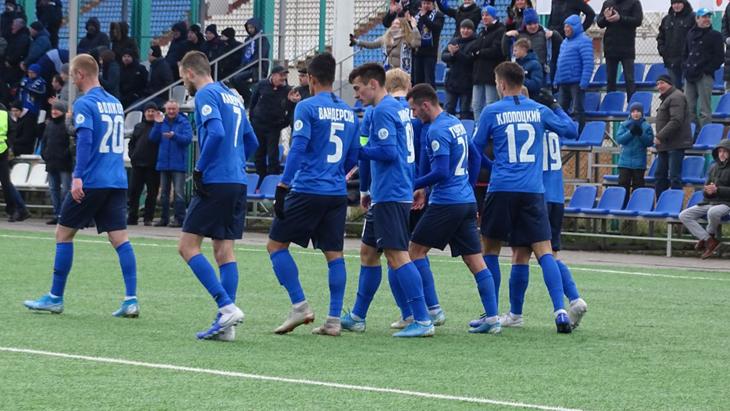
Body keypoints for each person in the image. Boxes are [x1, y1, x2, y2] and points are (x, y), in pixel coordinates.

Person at [23, 54, 140, 318]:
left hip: (93, 179)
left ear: (80, 75)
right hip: (116, 179)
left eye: (72, 76)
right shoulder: (115, 103)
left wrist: (78, 177)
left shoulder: (85, 103)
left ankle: (55, 297)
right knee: (120, 239)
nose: (72, 81)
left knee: (63, 234)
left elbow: (85, 141)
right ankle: (131, 299)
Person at [473, 61, 578, 334]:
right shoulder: (539, 110)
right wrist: (555, 106)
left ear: (502, 84)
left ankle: (492, 314)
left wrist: (491, 166)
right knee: (544, 251)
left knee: (490, 250)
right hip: (533, 190)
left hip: (501, 188)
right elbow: (571, 130)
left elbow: (474, 149)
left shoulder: (492, 111)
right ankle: (560, 311)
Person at [266, 52, 360, 336]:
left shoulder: (306, 107)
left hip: (307, 188)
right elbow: (353, 155)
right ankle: (333, 320)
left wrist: (283, 185)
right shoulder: (349, 111)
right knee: (334, 255)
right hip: (335, 191)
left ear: (311, 78)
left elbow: (297, 148)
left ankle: (300, 305)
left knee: (276, 246)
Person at [341, 63, 434, 338]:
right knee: (368, 253)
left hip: (392, 191)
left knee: (397, 255)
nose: (356, 94)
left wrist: (357, 150)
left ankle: (422, 319)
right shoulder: (397, 108)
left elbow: (388, 152)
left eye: (358, 88)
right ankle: (358, 316)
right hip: (388, 189)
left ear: (373, 84)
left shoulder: (382, 110)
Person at [406, 83, 501, 334]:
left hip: (446, 203)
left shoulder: (436, 130)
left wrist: (413, 184)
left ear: (426, 105)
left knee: (414, 251)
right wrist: (468, 186)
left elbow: (441, 172)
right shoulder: (455, 122)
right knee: (475, 260)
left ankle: (431, 310)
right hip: (465, 201)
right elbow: (476, 157)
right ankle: (493, 318)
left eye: (414, 109)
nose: (414, 114)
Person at [177, 50, 258, 341]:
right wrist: (235, 161)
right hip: (237, 180)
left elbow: (217, 133)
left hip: (216, 180)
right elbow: (252, 140)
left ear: (190, 72)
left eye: (182, 77)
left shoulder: (206, 94)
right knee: (224, 250)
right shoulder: (233, 96)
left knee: (187, 246)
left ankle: (226, 307)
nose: (183, 82)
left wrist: (200, 168)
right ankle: (227, 326)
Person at [679, 140, 730, 259]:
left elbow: (720, 190)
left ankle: (709, 236)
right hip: (710, 201)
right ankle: (709, 240)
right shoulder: (713, 167)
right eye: (720, 151)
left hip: (726, 203)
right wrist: (707, 191)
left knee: (713, 212)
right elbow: (706, 189)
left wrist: (717, 190)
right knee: (684, 215)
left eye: (725, 151)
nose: (722, 154)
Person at [148, 100, 192, 228]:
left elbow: (187, 139)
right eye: (169, 109)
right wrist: (157, 124)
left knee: (178, 193)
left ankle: (180, 219)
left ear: (178, 110)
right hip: (164, 162)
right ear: (165, 110)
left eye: (173, 109)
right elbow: (153, 138)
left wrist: (174, 136)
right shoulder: (162, 122)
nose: (171, 111)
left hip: (178, 163)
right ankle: (164, 218)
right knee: (164, 193)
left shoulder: (184, 122)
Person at [249, 65, 292, 184]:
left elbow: (290, 108)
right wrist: (253, 119)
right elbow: (253, 101)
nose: (283, 78)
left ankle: (272, 181)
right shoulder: (262, 85)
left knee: (273, 155)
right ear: (273, 75)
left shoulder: (287, 90)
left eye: (285, 75)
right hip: (258, 124)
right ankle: (259, 180)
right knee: (259, 153)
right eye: (281, 75)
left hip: (274, 127)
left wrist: (283, 123)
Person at [502, 8, 562, 91]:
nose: (533, 26)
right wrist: (506, 37)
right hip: (522, 71)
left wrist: (555, 34)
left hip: (542, 72)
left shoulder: (544, 33)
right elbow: (505, 51)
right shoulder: (518, 35)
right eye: (530, 24)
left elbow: (561, 45)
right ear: (525, 24)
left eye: (535, 23)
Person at [683, 8, 723, 131]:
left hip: (704, 76)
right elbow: (685, 53)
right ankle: (692, 134)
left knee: (704, 110)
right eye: (704, 17)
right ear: (697, 19)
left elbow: (719, 57)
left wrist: (707, 70)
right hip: (689, 75)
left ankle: (706, 135)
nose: (707, 19)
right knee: (688, 108)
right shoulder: (690, 34)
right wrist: (686, 67)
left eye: (708, 17)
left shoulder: (715, 35)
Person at [653, 74, 693, 196]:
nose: (659, 86)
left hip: (675, 144)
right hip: (665, 144)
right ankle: (661, 203)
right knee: (660, 175)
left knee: (674, 177)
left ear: (669, 84)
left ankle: (676, 205)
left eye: (662, 83)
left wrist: (659, 136)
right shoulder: (668, 98)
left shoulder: (676, 97)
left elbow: (676, 120)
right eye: (657, 84)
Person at [596, 0, 643, 100]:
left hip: (627, 47)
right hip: (610, 47)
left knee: (629, 79)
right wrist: (606, 18)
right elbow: (600, 23)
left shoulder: (634, 2)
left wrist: (620, 18)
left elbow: (638, 20)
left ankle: (632, 104)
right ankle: (611, 103)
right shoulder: (607, 3)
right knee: (610, 79)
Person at [554, 14, 593, 131]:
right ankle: (565, 134)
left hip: (576, 83)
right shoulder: (564, 42)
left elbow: (588, 63)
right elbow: (559, 62)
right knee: (560, 110)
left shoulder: (584, 41)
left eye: (568, 27)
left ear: (575, 27)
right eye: (565, 27)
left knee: (577, 110)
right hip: (563, 82)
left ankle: (580, 134)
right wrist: (556, 79)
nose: (565, 29)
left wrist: (584, 81)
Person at [465, 6, 505, 118]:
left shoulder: (500, 30)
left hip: (491, 74)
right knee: (476, 105)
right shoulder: (482, 32)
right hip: (478, 74)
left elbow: (496, 50)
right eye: (483, 15)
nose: (484, 17)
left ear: (493, 16)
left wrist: (479, 52)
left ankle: (491, 127)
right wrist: (477, 52)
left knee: (490, 104)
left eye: (487, 15)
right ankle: (478, 126)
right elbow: (474, 47)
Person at [127, 102, 160, 226]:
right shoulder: (138, 127)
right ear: (144, 113)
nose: (150, 113)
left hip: (153, 166)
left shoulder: (159, 127)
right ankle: (132, 217)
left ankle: (148, 218)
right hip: (138, 164)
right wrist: (132, 156)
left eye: (152, 111)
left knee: (152, 193)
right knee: (134, 192)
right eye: (148, 111)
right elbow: (132, 143)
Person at [40, 99, 73, 225]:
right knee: (53, 190)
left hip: (64, 163)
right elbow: (44, 141)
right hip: (51, 162)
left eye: (57, 109)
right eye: (53, 109)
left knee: (66, 190)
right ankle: (57, 214)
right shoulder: (49, 125)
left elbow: (71, 144)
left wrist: (65, 155)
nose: (54, 111)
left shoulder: (67, 125)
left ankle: (65, 214)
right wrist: (44, 154)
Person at [350, 16, 420, 73]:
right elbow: (372, 44)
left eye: (397, 24)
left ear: (403, 26)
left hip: (403, 72)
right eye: (393, 23)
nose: (394, 25)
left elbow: (416, 43)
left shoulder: (407, 38)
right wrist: (357, 42)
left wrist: (414, 27)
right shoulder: (386, 38)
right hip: (388, 71)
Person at [615, 102, 654, 207]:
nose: (635, 114)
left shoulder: (646, 126)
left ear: (642, 113)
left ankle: (637, 207)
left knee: (638, 186)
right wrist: (631, 133)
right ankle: (623, 207)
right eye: (633, 111)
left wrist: (641, 133)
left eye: (638, 111)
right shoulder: (624, 125)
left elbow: (649, 142)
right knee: (623, 185)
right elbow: (620, 139)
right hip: (624, 162)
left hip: (639, 163)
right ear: (630, 113)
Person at [228, 18, 270, 105]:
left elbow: (260, 55)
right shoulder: (248, 39)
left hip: (257, 68)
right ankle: (247, 97)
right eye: (248, 28)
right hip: (246, 66)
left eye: (252, 27)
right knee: (231, 78)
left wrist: (248, 65)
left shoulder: (263, 40)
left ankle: (249, 98)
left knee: (237, 78)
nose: (250, 30)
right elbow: (244, 55)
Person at [0, 102, 30, 222]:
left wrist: (7, 144)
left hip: (2, 151)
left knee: (6, 183)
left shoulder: (3, 112)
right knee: (6, 183)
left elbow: (12, 130)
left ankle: (16, 209)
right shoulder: (4, 111)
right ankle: (19, 209)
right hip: (3, 150)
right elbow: (12, 130)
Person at [441, 19, 475, 119]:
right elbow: (444, 56)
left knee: (464, 111)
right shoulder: (454, 40)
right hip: (452, 81)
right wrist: (451, 54)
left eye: (468, 28)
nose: (465, 31)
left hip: (467, 82)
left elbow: (469, 60)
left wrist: (456, 53)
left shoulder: (475, 42)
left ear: (472, 30)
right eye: (463, 28)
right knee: (448, 109)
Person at [657, 0, 694, 90]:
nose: (676, 5)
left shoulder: (692, 18)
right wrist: (662, 50)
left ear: (684, 3)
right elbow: (660, 37)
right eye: (674, 3)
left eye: (678, 3)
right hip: (671, 61)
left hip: (688, 61)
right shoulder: (666, 19)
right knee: (674, 91)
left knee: (688, 91)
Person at [412, 0, 444, 87]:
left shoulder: (438, 15)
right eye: (424, 3)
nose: (426, 5)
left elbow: (435, 27)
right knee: (417, 80)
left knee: (429, 80)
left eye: (428, 3)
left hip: (430, 53)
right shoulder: (417, 15)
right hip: (418, 52)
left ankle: (430, 95)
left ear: (433, 4)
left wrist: (424, 17)